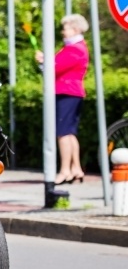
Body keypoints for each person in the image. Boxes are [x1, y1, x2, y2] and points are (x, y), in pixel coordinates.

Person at [35, 14, 90, 185]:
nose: (62, 32)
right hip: (71, 92)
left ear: (75, 29)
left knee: (62, 133)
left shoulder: (75, 49)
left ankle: (65, 170)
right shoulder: (76, 47)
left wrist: (44, 61)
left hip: (67, 92)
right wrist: (46, 61)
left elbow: (55, 68)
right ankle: (76, 169)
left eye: (65, 28)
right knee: (70, 132)